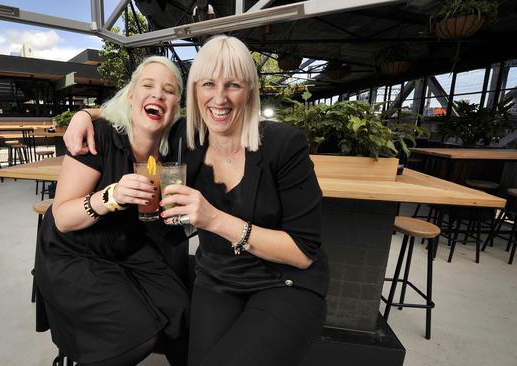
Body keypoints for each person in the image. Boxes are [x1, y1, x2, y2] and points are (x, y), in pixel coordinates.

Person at [64, 35, 329, 366]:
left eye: (232, 84)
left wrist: (215, 219)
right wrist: (84, 115)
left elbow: (303, 253)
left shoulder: (283, 144)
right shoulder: (184, 140)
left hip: (285, 281)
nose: (219, 98)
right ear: (194, 92)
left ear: (249, 91)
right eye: (208, 84)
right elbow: (132, 109)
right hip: (218, 278)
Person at [34, 56, 189, 366]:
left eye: (169, 90)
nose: (158, 94)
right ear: (131, 96)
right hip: (74, 250)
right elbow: (62, 218)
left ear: (176, 106)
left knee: (181, 311)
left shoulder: (175, 141)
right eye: (148, 85)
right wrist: (112, 195)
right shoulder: (101, 135)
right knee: (137, 335)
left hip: (127, 243)